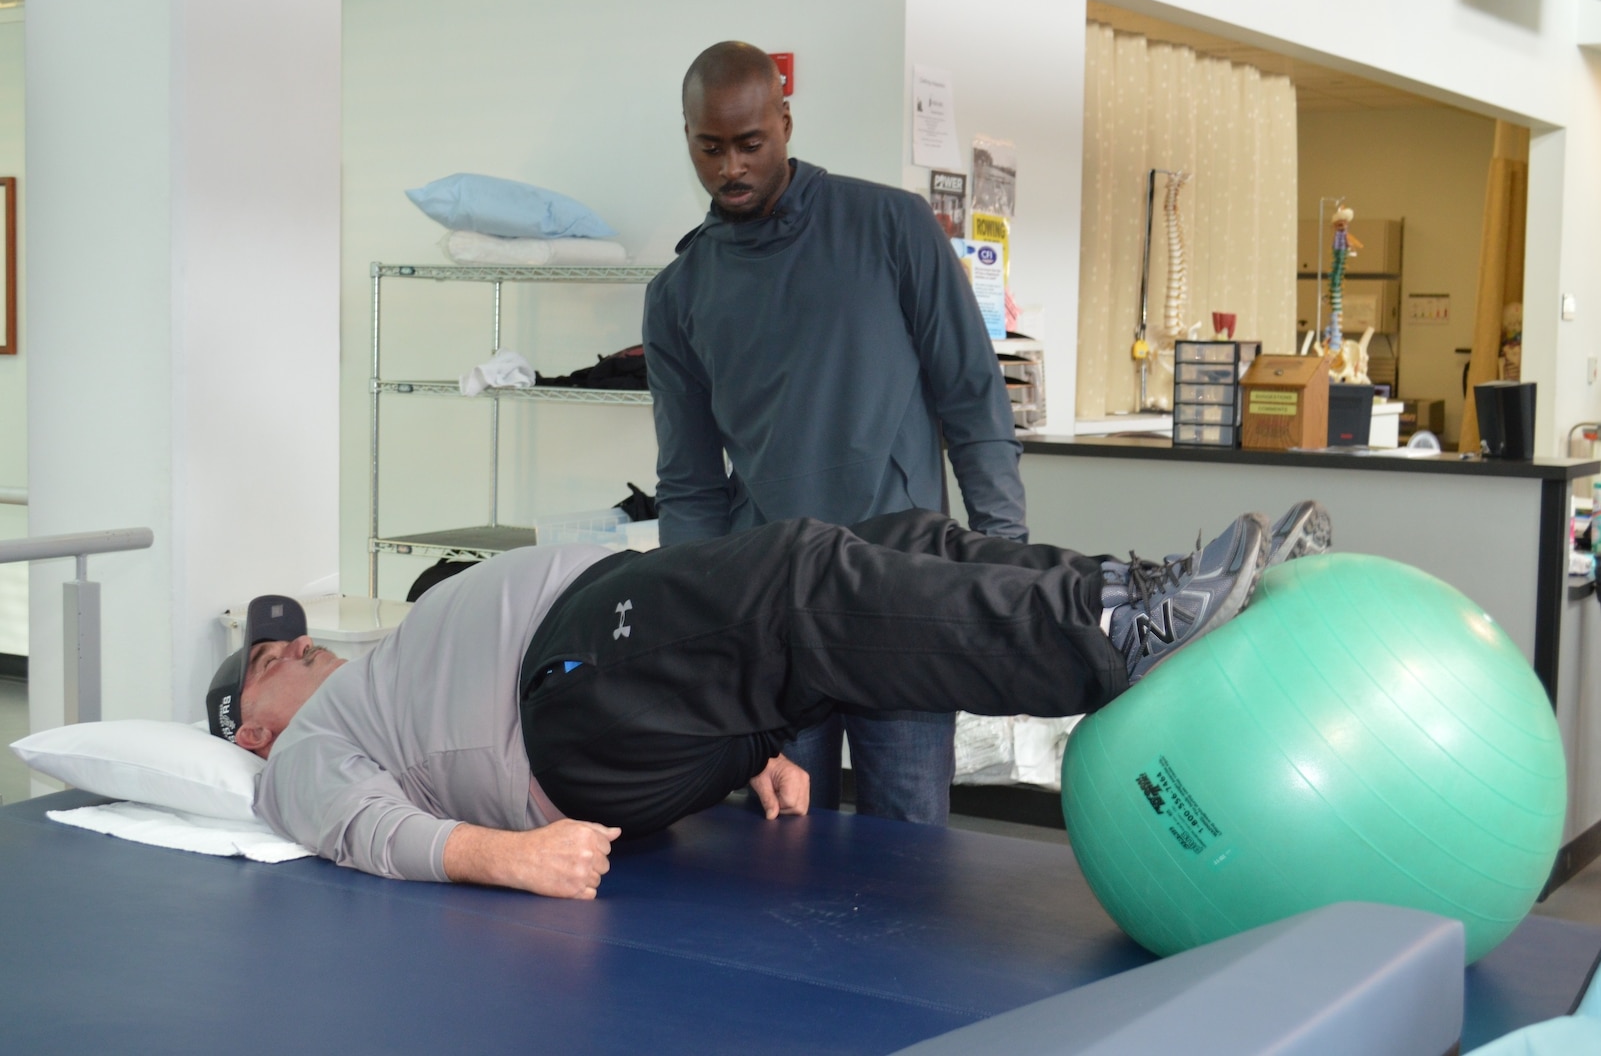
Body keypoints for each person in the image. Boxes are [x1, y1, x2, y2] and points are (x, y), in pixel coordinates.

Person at [208, 501, 1330, 900]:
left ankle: (1142, 595)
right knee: (801, 580)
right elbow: (352, 825)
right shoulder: (308, 750)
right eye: (273, 658)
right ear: (254, 719)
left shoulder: (391, 672)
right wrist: (503, 858)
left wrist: (743, 752)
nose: (298, 648)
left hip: (617, 681)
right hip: (569, 692)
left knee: (895, 542)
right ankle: (1115, 628)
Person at [642, 40, 1028, 826]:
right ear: (686, 136)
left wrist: (1002, 551)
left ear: (784, 121)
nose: (730, 169)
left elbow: (971, 400)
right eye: (708, 148)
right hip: (770, 612)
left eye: (749, 144)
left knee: (909, 843)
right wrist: (695, 623)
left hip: (901, 591)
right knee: (777, 847)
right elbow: (688, 481)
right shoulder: (678, 292)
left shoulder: (891, 226)